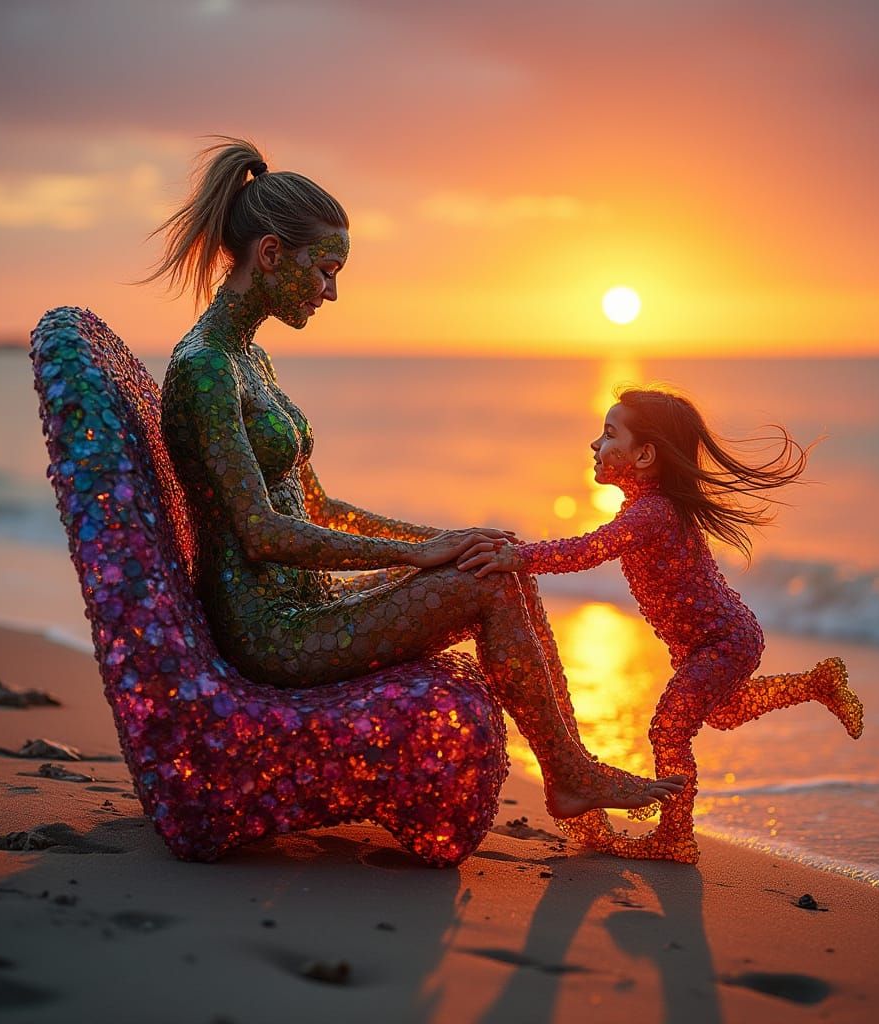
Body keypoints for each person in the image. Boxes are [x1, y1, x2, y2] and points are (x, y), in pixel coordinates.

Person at [144, 136, 686, 825]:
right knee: (489, 581)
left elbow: (318, 506)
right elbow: (261, 533)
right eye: (326, 270)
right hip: (272, 634)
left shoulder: (251, 359)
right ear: (273, 254)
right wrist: (413, 555)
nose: (332, 292)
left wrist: (443, 539)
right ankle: (570, 774)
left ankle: (570, 768)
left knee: (496, 559)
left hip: (307, 607)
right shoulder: (207, 369)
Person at [458, 388, 864, 863]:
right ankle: (816, 683)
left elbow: (587, 551)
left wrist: (517, 556)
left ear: (645, 454)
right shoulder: (649, 510)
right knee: (723, 713)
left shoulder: (651, 513)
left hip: (720, 641)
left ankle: (676, 835)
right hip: (720, 639)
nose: (595, 445)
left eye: (609, 434)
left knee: (669, 730)